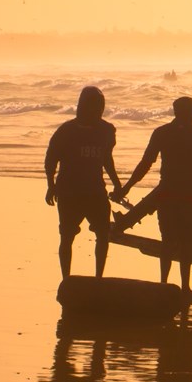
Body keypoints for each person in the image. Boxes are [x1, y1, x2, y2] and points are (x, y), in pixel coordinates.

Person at [115, 97, 192, 289]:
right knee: (186, 243)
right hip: (190, 196)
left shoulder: (162, 133)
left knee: (167, 241)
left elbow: (145, 164)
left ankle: (163, 284)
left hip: (167, 194)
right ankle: (185, 287)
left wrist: (127, 187)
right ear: (186, 113)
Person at [44, 86, 121, 279]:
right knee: (67, 236)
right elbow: (51, 159)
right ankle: (66, 278)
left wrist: (117, 183)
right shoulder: (66, 131)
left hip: (95, 190)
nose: (97, 110)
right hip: (69, 191)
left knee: (103, 235)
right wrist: (50, 185)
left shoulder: (107, 130)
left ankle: (98, 278)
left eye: (100, 106)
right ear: (82, 106)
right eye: (93, 106)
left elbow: (106, 159)